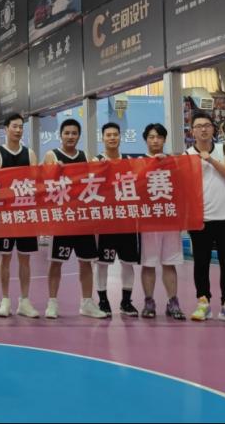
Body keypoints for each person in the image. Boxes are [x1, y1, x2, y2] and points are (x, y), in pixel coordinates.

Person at [43, 119, 107, 320]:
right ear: (60, 135)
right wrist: (54, 171)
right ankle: (52, 302)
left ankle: (87, 303)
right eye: (67, 133)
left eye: (74, 133)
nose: (70, 136)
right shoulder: (52, 155)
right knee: (56, 262)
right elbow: (43, 184)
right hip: (62, 219)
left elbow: (93, 182)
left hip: (82, 218)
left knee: (86, 262)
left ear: (79, 136)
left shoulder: (85, 156)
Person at [186, 112, 225, 324]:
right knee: (201, 263)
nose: (203, 129)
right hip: (200, 219)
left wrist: (210, 159)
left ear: (213, 129)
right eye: (198, 126)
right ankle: (203, 303)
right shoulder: (186, 155)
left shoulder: (223, 149)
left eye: (207, 125)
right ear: (192, 131)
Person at [0, 113, 40, 318]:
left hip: (25, 215)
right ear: (6, 129)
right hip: (5, 216)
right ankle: (5, 300)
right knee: (5, 258)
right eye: (15, 127)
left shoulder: (30, 154)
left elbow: (37, 183)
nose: (18, 130)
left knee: (25, 259)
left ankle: (24, 301)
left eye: (21, 127)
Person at [93, 123, 140, 317]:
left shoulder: (130, 161)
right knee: (102, 263)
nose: (112, 138)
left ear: (120, 137)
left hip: (127, 220)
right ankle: (103, 301)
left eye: (115, 134)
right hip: (105, 221)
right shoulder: (96, 161)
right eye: (108, 135)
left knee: (128, 262)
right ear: (102, 138)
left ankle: (126, 302)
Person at [140, 124, 186, 321]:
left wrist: (169, 163)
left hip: (170, 219)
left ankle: (173, 302)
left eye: (159, 137)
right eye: (151, 137)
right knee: (148, 263)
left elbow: (183, 187)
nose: (155, 140)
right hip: (148, 221)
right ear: (146, 139)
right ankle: (149, 301)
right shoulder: (137, 163)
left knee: (170, 263)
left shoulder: (174, 162)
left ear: (165, 140)